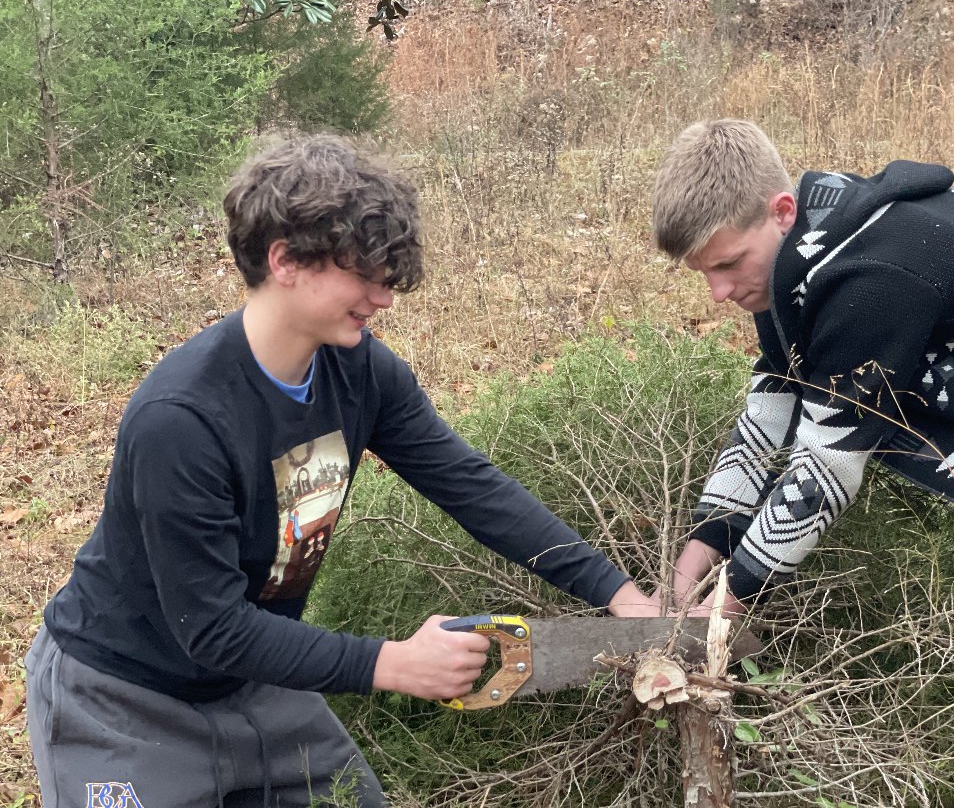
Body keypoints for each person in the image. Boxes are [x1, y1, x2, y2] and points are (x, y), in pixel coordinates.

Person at [24, 135, 654, 808]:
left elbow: (471, 487)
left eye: (388, 277)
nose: (382, 297)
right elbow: (210, 628)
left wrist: (619, 597)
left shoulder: (359, 373)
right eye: (364, 275)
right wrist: (393, 663)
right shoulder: (181, 418)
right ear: (286, 260)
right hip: (122, 700)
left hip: (255, 680)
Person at [651, 119, 954, 806]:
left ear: (781, 212)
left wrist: (726, 606)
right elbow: (777, 394)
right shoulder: (799, 265)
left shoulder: (867, 275)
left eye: (728, 265)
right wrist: (713, 532)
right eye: (705, 274)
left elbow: (826, 470)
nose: (718, 294)